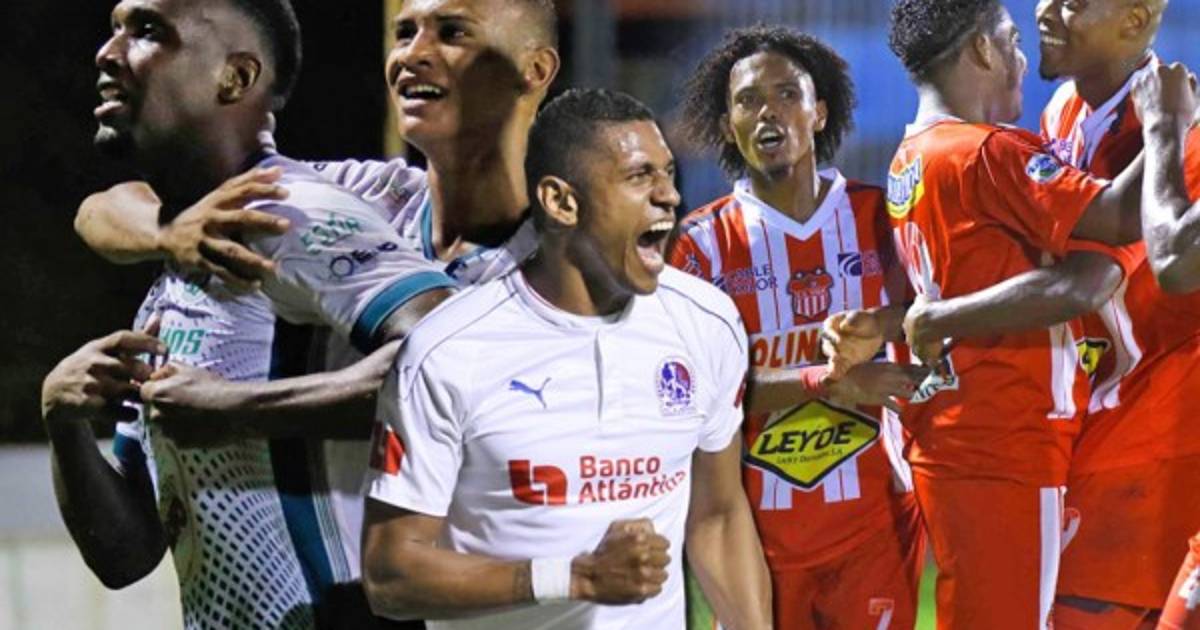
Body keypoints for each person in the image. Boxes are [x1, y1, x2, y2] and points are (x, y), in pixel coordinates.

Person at [67, 0, 561, 622]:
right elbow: (103, 208)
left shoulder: (573, 269)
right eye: (404, 32)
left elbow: (466, 379)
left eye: (452, 32)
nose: (413, 54)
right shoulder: (361, 198)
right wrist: (172, 232)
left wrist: (235, 411)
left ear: (534, 69)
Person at [360, 88, 772, 630]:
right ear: (561, 202)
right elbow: (390, 575)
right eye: (639, 176)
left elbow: (718, 515)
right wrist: (574, 577)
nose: (669, 195)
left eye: (668, 173)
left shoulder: (706, 322)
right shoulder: (448, 352)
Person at [841, 0, 1151, 627]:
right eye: (1011, 40)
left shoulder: (910, 158)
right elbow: (1117, 219)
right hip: (1004, 438)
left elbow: (966, 283)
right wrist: (1172, 126)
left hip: (963, 433)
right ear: (982, 50)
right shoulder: (984, 153)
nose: (1022, 57)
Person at [669, 25, 925, 630]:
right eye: (748, 100)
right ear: (727, 124)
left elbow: (942, 318)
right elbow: (698, 397)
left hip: (877, 527)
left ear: (819, 112)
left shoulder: (882, 220)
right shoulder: (699, 248)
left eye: (788, 94)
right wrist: (828, 383)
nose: (769, 112)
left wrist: (889, 327)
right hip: (756, 543)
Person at [1034, 1, 1200, 626]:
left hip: (1161, 433)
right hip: (1100, 418)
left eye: (1074, 2)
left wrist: (940, 317)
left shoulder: (1184, 130)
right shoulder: (1062, 112)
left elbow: (1152, 266)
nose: (1046, 10)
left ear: (1134, 20)